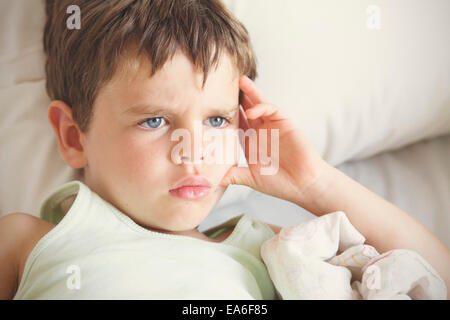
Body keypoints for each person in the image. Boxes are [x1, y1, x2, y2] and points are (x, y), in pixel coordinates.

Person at [0, 0, 448, 299]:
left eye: (217, 120)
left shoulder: (266, 250)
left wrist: (314, 183)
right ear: (74, 136)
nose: (193, 154)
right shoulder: (30, 241)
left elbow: (437, 278)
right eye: (154, 121)